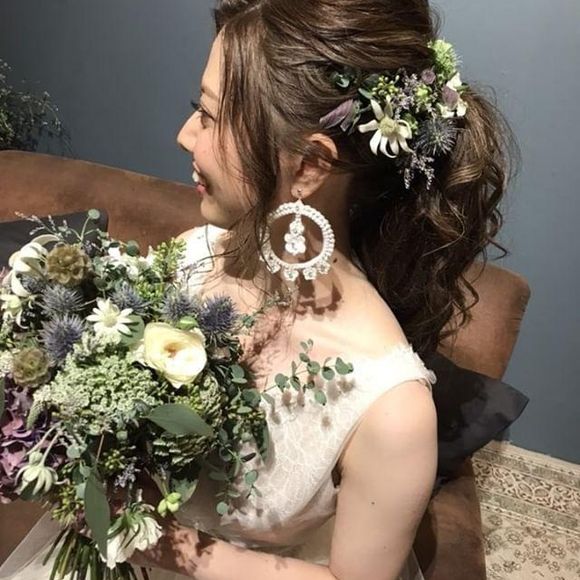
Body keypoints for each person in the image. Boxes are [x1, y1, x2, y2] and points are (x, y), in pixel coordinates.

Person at [0, 0, 516, 578]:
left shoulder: (391, 410)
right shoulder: (195, 255)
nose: (184, 135)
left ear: (309, 167)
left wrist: (164, 545)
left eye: (209, 116)